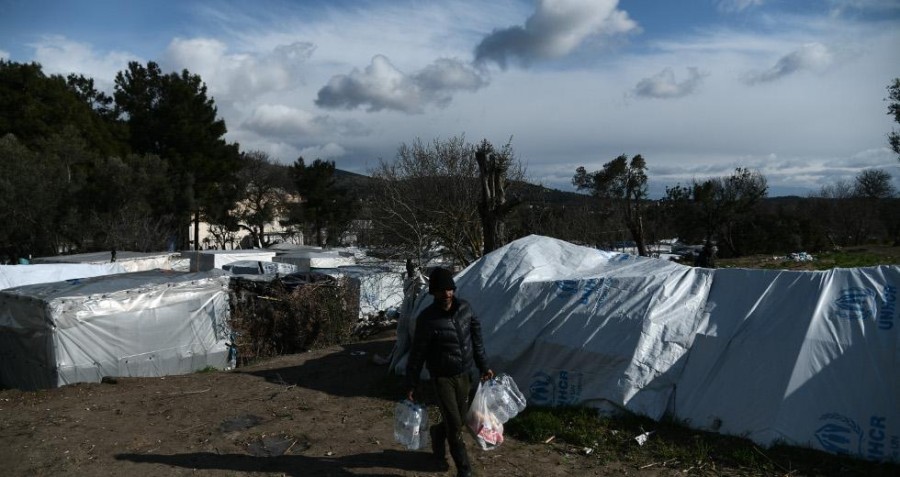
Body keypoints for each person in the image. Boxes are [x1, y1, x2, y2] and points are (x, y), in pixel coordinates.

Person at [406, 267, 493, 477]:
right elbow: (417, 353)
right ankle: (464, 469)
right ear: (433, 292)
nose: (447, 294)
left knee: (460, 419)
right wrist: (411, 382)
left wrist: (483, 365)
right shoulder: (427, 319)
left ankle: (437, 432)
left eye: (450, 289)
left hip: (464, 374)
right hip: (442, 377)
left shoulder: (466, 309)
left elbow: (477, 341)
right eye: (442, 290)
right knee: (455, 425)